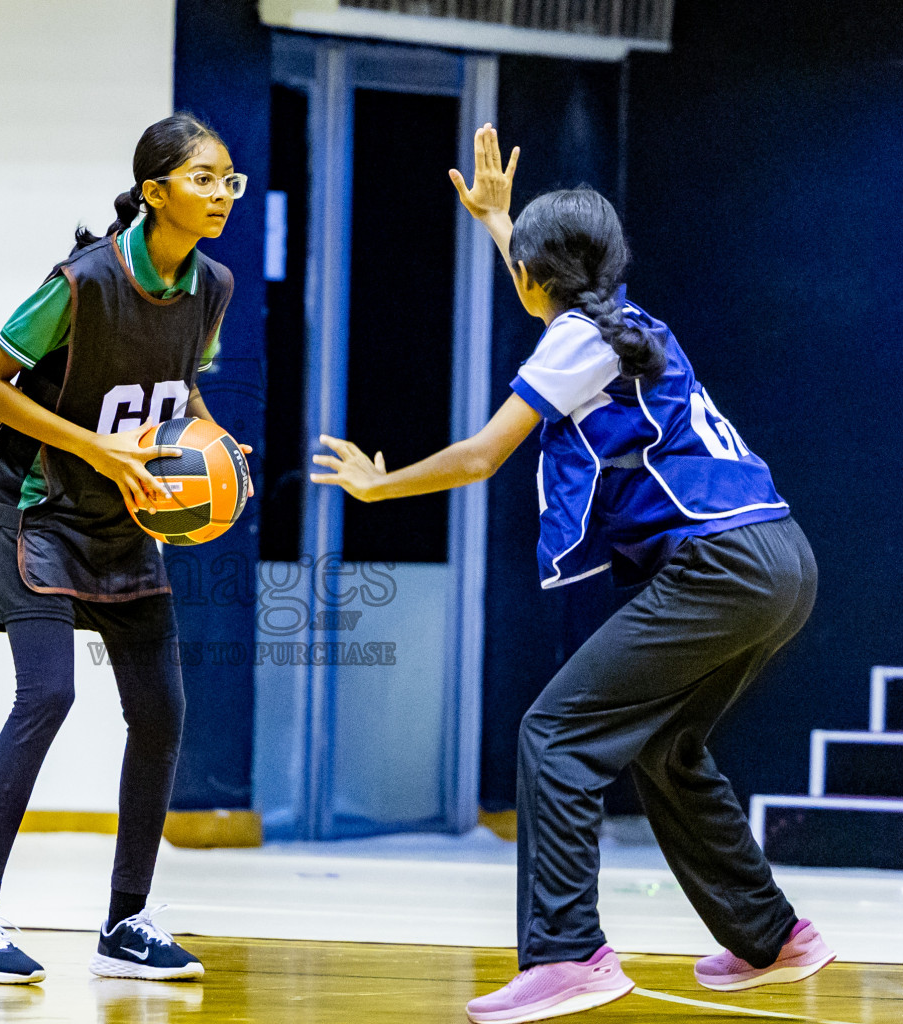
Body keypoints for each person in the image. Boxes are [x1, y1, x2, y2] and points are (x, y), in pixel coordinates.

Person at [310, 125, 833, 1023]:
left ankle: (568, 956)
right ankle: (773, 935)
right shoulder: (628, 326)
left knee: (555, 735)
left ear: (531, 278)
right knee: (667, 749)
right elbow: (549, 295)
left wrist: (380, 484)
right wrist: (503, 219)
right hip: (781, 558)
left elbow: (480, 456)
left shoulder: (577, 341)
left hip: (720, 564)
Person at [0, 113, 248, 985]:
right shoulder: (82, 282)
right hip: (35, 506)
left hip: (123, 513)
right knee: (49, 694)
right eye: (204, 178)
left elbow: (182, 396)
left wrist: (215, 448)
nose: (220, 194)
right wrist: (94, 446)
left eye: (228, 181)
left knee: (162, 713)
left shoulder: (211, 284)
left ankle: (127, 923)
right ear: (155, 191)